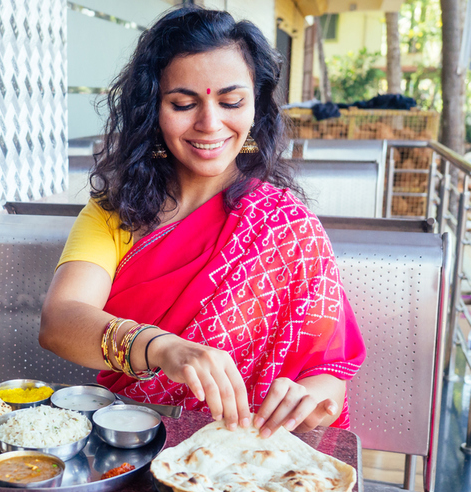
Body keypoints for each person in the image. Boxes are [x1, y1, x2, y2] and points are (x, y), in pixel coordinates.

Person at [39, 6, 366, 438]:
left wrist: (307, 399)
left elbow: (329, 379)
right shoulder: (114, 212)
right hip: (132, 441)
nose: (210, 124)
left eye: (231, 101)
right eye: (183, 103)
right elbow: (60, 321)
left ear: (257, 106)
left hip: (251, 460)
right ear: (151, 108)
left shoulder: (288, 228)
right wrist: (162, 347)